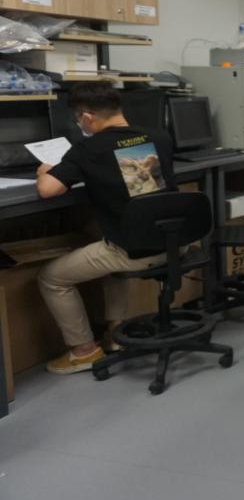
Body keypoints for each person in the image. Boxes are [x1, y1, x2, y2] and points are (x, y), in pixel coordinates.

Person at [35, 81, 176, 374]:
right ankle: (115, 332)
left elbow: (48, 190)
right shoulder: (159, 137)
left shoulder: (88, 149)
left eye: (78, 119)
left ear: (87, 117)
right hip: (176, 240)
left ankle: (83, 351)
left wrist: (44, 171)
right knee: (106, 242)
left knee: (51, 278)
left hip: (135, 250)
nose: (79, 124)